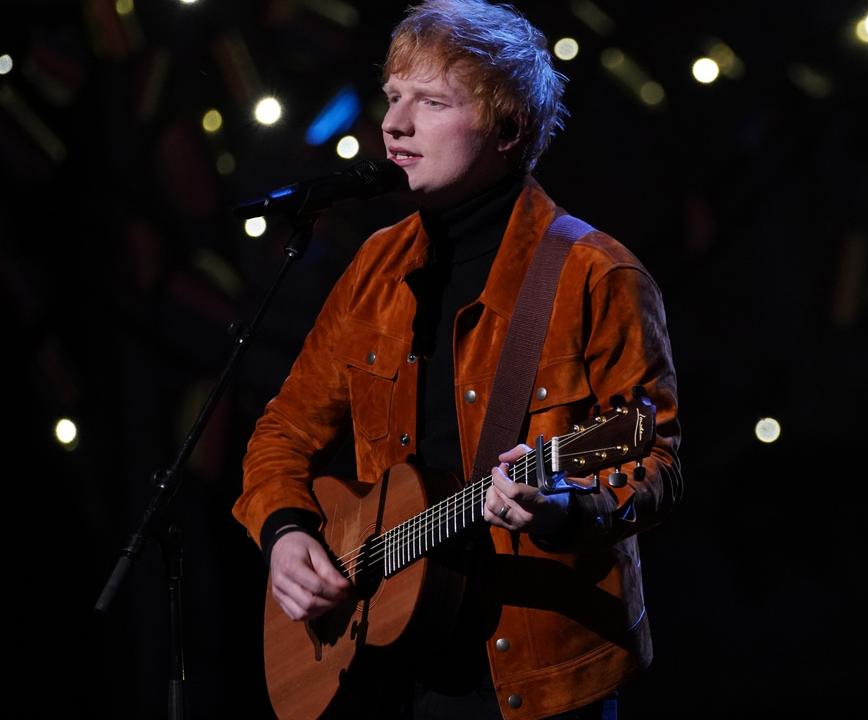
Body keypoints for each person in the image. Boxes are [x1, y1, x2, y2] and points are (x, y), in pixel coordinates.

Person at [231, 1, 682, 718]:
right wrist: (284, 533)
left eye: (432, 101)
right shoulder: (376, 268)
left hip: (535, 675)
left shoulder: (596, 275)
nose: (394, 123)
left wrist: (565, 509)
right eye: (393, 97)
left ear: (509, 128)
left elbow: (653, 463)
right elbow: (283, 430)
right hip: (395, 669)